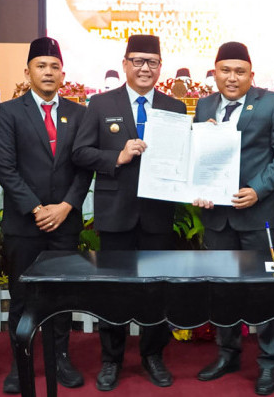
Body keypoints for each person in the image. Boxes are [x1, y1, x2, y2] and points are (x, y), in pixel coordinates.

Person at [72, 34, 186, 391]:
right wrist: (116, 157)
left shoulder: (175, 107)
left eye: (151, 62)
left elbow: (183, 157)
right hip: (116, 213)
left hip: (157, 215)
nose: (144, 68)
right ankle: (112, 359)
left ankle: (153, 355)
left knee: (156, 290)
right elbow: (80, 152)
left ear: (160, 67)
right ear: (124, 64)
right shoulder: (101, 104)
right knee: (114, 290)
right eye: (137, 60)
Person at [193, 41, 274, 396]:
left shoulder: (272, 103)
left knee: (264, 291)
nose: (232, 77)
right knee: (222, 292)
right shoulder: (204, 106)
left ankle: (268, 363)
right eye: (225, 70)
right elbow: (198, 158)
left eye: (240, 71)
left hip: (258, 216)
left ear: (251, 75)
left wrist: (257, 189)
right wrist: (200, 188)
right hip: (217, 219)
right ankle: (228, 354)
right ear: (215, 72)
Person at [0, 37, 93, 394]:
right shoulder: (7, 113)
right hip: (24, 223)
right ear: (28, 72)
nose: (48, 72)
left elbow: (84, 169)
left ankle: (60, 357)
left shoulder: (79, 114)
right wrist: (36, 209)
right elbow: (4, 167)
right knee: (22, 295)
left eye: (54, 66)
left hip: (64, 222)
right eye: (41, 66)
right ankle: (22, 363)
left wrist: (64, 207)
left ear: (63, 73)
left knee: (60, 296)